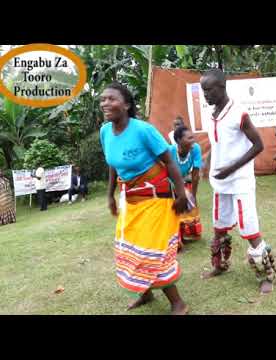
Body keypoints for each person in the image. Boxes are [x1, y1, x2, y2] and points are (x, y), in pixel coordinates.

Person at [99, 82, 188, 314]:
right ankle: (146, 293)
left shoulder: (143, 130)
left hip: (155, 199)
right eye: (102, 100)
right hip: (130, 200)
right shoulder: (105, 131)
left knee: (152, 252)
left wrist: (181, 193)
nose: (105, 103)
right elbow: (112, 164)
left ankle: (178, 303)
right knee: (130, 249)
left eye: (111, 99)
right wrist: (110, 194)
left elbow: (169, 161)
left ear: (127, 105)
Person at [200, 69, 276, 294]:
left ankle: (267, 275)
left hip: (240, 181)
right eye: (203, 90)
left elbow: (258, 145)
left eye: (209, 90)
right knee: (219, 226)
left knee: (250, 230)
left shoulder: (239, 113)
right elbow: (218, 144)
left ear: (222, 87)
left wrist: (231, 168)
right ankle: (220, 265)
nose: (205, 95)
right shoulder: (212, 113)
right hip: (220, 181)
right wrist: (208, 164)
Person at [169, 125, 203, 245]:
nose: (193, 141)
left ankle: (187, 233)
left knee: (188, 202)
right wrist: (178, 192)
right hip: (168, 182)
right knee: (173, 208)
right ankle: (176, 239)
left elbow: (195, 174)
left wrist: (192, 196)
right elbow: (166, 174)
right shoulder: (170, 151)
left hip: (182, 181)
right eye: (189, 138)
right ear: (178, 140)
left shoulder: (195, 149)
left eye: (193, 138)